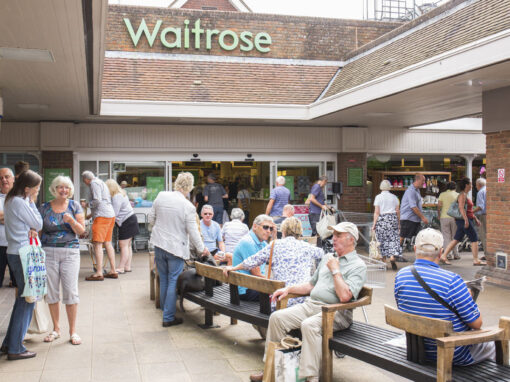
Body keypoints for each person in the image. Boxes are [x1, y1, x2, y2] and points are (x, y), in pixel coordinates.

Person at [249, 222, 367, 382]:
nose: (334, 239)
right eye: (334, 235)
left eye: (338, 235)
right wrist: (289, 289)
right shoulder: (328, 257)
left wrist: (335, 270)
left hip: (335, 313)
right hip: (311, 305)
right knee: (277, 318)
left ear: (351, 240)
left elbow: (345, 297)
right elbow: (311, 285)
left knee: (309, 325)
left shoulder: (358, 266)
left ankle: (310, 377)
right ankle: (271, 370)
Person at [395, 228, 495, 366]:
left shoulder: (401, 275)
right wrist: (467, 297)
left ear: (414, 248)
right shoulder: (451, 281)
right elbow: (477, 323)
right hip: (453, 354)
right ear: (441, 252)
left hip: (415, 350)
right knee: (497, 343)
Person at [149, 172, 208, 326]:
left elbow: (151, 218)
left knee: (163, 277)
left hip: (159, 244)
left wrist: (158, 230)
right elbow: (193, 232)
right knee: (172, 280)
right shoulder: (187, 206)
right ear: (189, 187)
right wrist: (202, 249)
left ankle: (165, 309)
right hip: (175, 248)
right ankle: (168, 317)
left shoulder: (161, 196)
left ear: (176, 184)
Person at [224, 217, 324, 308]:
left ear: (283, 230)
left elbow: (252, 261)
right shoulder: (307, 246)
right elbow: (324, 255)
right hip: (303, 299)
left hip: (280, 299)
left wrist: (233, 268)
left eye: (270, 229)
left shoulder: (274, 245)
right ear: (300, 231)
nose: (269, 231)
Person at [1, 170, 43, 360]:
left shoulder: (12, 200)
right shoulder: (20, 201)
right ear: (27, 188)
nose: (37, 191)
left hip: (15, 252)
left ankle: (10, 343)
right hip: (23, 254)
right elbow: (38, 223)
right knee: (27, 301)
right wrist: (32, 204)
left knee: (22, 300)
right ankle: (16, 348)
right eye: (36, 188)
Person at [39, 176, 85, 346]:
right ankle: (56, 329)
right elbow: (38, 231)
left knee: (71, 291)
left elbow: (81, 231)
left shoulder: (74, 206)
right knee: (51, 292)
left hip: (70, 252)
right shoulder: (44, 207)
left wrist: (71, 221)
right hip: (48, 252)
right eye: (60, 187)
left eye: (67, 187)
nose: (64, 190)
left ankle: (73, 331)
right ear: (54, 189)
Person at [81, 171, 118, 281]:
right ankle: (113, 270)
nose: (85, 183)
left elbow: (97, 200)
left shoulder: (93, 183)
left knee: (97, 243)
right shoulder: (101, 183)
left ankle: (99, 272)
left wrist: (86, 205)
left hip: (101, 216)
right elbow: (104, 201)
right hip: (110, 215)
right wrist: (90, 215)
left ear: (86, 179)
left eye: (84, 181)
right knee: (107, 243)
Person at [440, 177, 485, 266]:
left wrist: (475, 218)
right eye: (471, 184)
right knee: (474, 238)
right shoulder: (462, 195)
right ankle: (476, 260)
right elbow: (461, 208)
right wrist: (466, 220)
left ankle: (444, 256)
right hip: (464, 220)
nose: (472, 186)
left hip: (464, 220)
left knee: (456, 239)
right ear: (467, 185)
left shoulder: (464, 195)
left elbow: (468, 210)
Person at [232, 214, 274, 301]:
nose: (268, 231)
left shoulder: (262, 243)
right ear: (255, 226)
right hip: (246, 290)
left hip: (255, 285)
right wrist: (273, 283)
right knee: (280, 294)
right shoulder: (248, 242)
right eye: (265, 227)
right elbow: (256, 273)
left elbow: (274, 259)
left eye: (271, 228)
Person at [106, 179, 140, 273]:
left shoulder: (117, 196)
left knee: (123, 245)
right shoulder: (121, 193)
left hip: (126, 221)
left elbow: (115, 212)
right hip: (131, 219)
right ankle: (127, 266)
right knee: (128, 245)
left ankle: (121, 267)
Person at [371, 179, 402, 270]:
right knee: (393, 239)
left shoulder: (378, 197)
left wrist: (374, 224)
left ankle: (383, 262)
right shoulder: (394, 197)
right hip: (392, 219)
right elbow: (397, 211)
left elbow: (376, 212)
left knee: (381, 240)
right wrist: (399, 222)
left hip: (382, 219)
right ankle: (392, 257)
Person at [400, 174, 428, 246]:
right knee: (402, 237)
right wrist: (423, 217)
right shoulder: (411, 191)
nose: (424, 182)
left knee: (417, 237)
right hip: (408, 218)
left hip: (414, 219)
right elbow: (413, 207)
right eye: (423, 180)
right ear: (417, 180)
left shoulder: (417, 190)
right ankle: (394, 255)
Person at [0, 168, 16, 288]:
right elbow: (16, 218)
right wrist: (13, 217)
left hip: (16, 246)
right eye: (0, 178)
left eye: (6, 177)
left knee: (17, 283)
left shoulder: (20, 198)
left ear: (13, 179)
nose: (4, 180)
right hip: (0, 245)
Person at [437, 181, 460, 261]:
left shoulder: (442, 194)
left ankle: (448, 254)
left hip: (444, 217)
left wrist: (439, 215)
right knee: (455, 236)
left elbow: (439, 206)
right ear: (455, 187)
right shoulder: (458, 195)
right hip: (455, 218)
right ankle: (456, 254)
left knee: (446, 236)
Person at [473, 178, 487, 257]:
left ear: (479, 185)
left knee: (483, 235)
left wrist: (472, 211)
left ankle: (486, 254)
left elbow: (480, 206)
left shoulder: (480, 192)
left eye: (476, 185)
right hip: (489, 215)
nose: (475, 186)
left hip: (483, 215)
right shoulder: (488, 190)